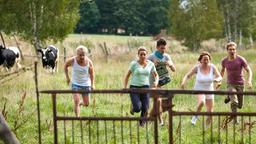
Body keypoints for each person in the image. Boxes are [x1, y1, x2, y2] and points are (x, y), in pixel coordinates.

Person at [181, 51, 222, 126]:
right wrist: (183, 82)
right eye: (204, 59)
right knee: (202, 102)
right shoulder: (197, 67)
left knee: (210, 112)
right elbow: (187, 75)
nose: (206, 61)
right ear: (200, 60)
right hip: (199, 89)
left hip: (209, 90)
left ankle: (207, 128)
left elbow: (219, 76)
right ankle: (195, 117)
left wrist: (217, 80)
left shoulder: (212, 67)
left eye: (207, 59)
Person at [124, 46, 159, 126]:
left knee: (145, 108)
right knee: (137, 108)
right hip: (134, 88)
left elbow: (156, 75)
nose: (143, 56)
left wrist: (156, 82)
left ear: (146, 55)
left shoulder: (151, 64)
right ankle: (133, 106)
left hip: (146, 88)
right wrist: (125, 87)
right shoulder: (134, 64)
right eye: (141, 54)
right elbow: (127, 76)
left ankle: (141, 124)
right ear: (138, 55)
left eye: (144, 54)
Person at [220, 41, 252, 123]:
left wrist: (249, 80)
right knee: (234, 102)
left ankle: (228, 96)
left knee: (240, 105)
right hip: (230, 84)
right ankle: (235, 120)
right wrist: (219, 80)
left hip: (240, 84)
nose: (232, 51)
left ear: (236, 50)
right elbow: (222, 70)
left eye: (233, 49)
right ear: (227, 50)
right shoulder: (224, 61)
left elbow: (249, 70)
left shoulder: (241, 59)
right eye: (230, 49)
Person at [148, 38, 176, 126]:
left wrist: (170, 65)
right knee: (157, 101)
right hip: (151, 82)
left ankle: (155, 120)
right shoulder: (151, 57)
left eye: (164, 48)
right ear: (157, 47)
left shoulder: (166, 56)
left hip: (161, 82)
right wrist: (152, 64)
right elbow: (144, 68)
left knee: (158, 101)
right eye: (161, 48)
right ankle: (155, 120)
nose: (163, 50)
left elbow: (174, 69)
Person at [64, 45, 95, 117]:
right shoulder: (72, 61)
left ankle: (81, 104)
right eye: (80, 55)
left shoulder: (89, 62)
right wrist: (67, 78)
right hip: (75, 84)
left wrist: (92, 84)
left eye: (83, 55)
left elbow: (92, 74)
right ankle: (77, 117)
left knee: (87, 104)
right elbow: (65, 66)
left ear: (85, 55)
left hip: (86, 84)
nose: (82, 57)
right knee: (76, 101)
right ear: (76, 54)